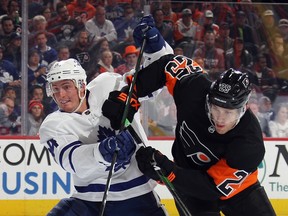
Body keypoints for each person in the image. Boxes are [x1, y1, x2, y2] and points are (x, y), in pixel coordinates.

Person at [105, 16, 276, 215]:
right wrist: (131, 94)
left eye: (228, 112)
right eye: (215, 108)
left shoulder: (250, 143)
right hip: (189, 177)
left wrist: (169, 171)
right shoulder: (194, 89)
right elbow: (168, 64)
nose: (220, 118)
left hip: (240, 190)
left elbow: (212, 187)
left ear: (244, 108)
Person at [39, 58, 168, 216]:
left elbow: (150, 82)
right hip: (89, 201)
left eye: (66, 87)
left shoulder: (108, 85)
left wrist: (157, 48)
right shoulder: (53, 124)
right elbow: (73, 161)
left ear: (81, 85)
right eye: (55, 89)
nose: (61, 95)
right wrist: (102, 152)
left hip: (139, 197)